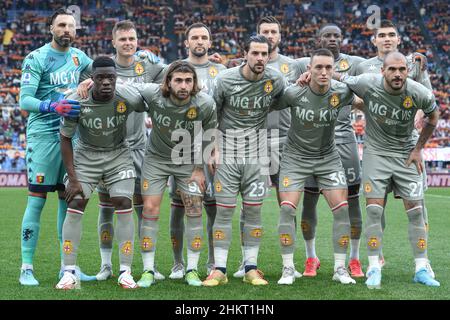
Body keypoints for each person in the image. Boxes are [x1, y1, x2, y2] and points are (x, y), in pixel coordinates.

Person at [339, 51, 440, 289]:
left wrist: (418, 149)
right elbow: (339, 79)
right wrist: (311, 75)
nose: (397, 74)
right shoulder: (367, 82)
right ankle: (374, 266)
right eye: (392, 69)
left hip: (406, 154)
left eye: (402, 69)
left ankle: (421, 268)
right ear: (382, 70)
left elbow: (433, 117)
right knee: (374, 211)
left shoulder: (419, 92)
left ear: (407, 70)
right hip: (376, 154)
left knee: (416, 212)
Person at [76, 20, 167, 282]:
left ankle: (148, 264)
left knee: (139, 206)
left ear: (137, 41)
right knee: (106, 207)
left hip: (138, 147)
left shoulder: (148, 65)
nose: (128, 43)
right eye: (123, 39)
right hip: (106, 148)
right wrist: (82, 86)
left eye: (132, 38)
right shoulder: (101, 68)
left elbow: (171, 79)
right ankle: (106, 265)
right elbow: (81, 92)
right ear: (113, 42)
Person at [56, 56, 148, 290]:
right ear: (91, 79)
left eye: (111, 77)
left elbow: (148, 100)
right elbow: (65, 138)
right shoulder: (77, 99)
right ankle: (68, 272)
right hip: (86, 156)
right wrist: (73, 179)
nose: (106, 82)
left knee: (123, 201)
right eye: (100, 78)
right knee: (76, 201)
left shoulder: (127, 97)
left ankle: (125, 271)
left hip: (119, 154)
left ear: (117, 78)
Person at [274, 48, 363, 285]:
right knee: (286, 209)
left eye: (328, 68)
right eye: (318, 67)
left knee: (342, 209)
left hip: (328, 158)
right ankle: (288, 268)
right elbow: (268, 105)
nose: (324, 72)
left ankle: (340, 268)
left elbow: (364, 102)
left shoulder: (342, 91)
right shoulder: (294, 93)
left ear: (334, 70)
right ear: (309, 70)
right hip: (295, 158)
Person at [202, 35, 285, 287]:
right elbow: (210, 114)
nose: (260, 58)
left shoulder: (275, 80)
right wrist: (212, 149)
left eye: (265, 54)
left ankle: (251, 268)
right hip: (227, 152)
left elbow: (285, 98)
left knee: (253, 211)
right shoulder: (225, 80)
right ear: (245, 54)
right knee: (224, 212)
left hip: (258, 154)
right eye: (255, 53)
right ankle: (220, 269)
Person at [18, 8, 93, 286]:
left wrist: (91, 79)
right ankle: (26, 267)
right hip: (43, 136)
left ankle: (67, 268)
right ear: (51, 28)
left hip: (71, 136)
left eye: (71, 26)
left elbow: (104, 71)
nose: (67, 30)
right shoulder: (36, 58)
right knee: (36, 200)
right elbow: (24, 101)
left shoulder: (79, 57)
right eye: (61, 25)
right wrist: (52, 105)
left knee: (69, 198)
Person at [354, 20, 433, 274]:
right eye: (382, 35)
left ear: (398, 39)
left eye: (392, 34)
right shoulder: (365, 67)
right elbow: (355, 96)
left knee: (418, 204)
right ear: (373, 40)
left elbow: (426, 98)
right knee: (377, 205)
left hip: (407, 143)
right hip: (377, 145)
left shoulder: (413, 65)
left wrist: (416, 112)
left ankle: (424, 259)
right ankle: (378, 257)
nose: (387, 39)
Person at [231, 16, 303, 279]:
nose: (270, 36)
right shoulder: (243, 68)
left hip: (285, 142)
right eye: (265, 32)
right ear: (257, 36)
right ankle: (246, 261)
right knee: (249, 205)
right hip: (255, 143)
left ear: (280, 36)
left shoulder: (293, 66)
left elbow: (327, 64)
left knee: (287, 203)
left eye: (274, 32)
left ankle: (290, 262)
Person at [136, 60, 217, 287]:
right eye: (178, 80)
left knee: (194, 209)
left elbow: (210, 135)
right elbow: (124, 86)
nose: (184, 85)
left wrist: (200, 169)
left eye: (188, 81)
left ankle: (191, 269)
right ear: (168, 82)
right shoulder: (153, 95)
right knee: (150, 210)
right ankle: (148, 270)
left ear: (194, 83)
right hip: (156, 160)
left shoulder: (205, 103)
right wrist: (89, 81)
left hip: (188, 162)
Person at [294, 24, 366, 278]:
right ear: (319, 38)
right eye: (328, 35)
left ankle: (354, 260)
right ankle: (310, 257)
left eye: (337, 35)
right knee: (310, 200)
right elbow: (272, 67)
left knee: (352, 202)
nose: (333, 39)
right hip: (312, 142)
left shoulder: (355, 64)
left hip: (344, 141)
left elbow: (378, 73)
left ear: (342, 39)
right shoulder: (304, 63)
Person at [168, 23, 226, 279]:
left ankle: (212, 262)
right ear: (186, 42)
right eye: (195, 37)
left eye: (204, 37)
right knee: (178, 207)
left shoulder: (222, 70)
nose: (199, 41)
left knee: (213, 207)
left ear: (210, 42)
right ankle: (178, 263)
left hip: (212, 147)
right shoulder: (175, 69)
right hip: (180, 147)